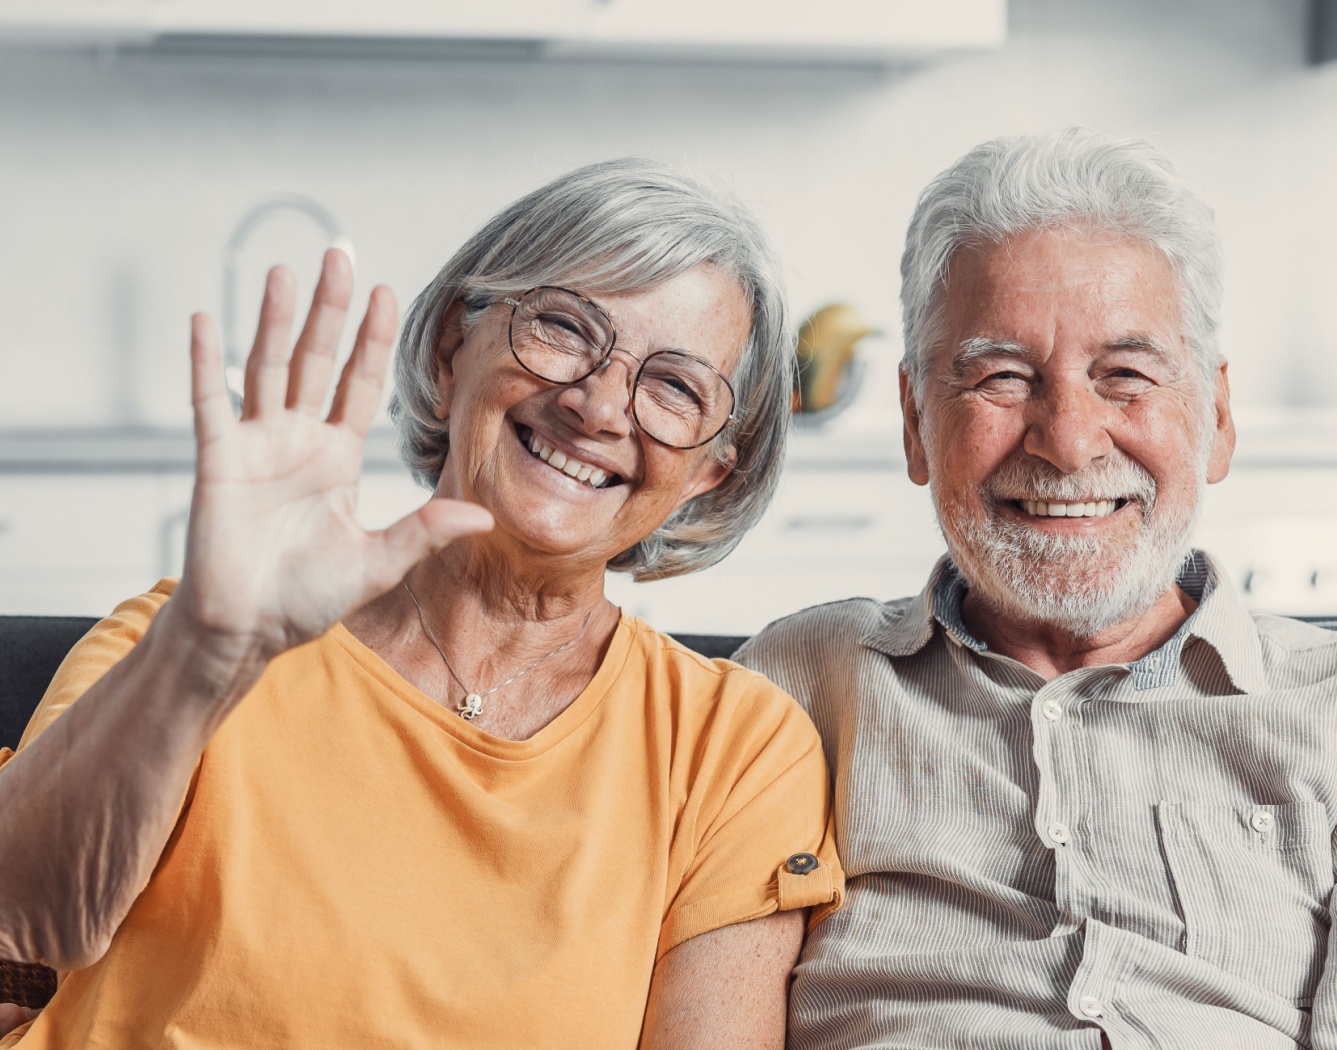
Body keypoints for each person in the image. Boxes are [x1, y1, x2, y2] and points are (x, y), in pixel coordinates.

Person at [735, 129, 1337, 1049]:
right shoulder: (792, 694)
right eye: (1002, 377)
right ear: (913, 423)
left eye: (1124, 376)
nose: (1068, 440)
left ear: (1215, 419)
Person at [0, 159, 842, 1049]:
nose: (598, 406)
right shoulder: (182, 640)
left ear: (711, 470)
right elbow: (19, 925)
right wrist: (203, 651)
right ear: (452, 349)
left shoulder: (733, 749)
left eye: (675, 387)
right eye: (564, 327)